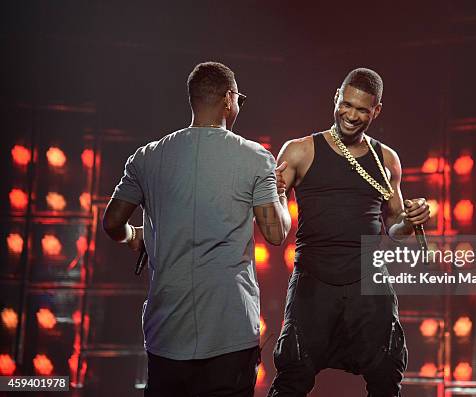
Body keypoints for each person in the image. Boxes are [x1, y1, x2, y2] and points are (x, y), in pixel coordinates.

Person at [102, 61, 291, 397]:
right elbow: (276, 235)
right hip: (229, 333)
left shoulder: (147, 157)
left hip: (166, 336)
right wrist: (279, 191)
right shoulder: (255, 158)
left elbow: (112, 223)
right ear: (229, 98)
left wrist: (135, 236)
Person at [267, 68, 430, 397]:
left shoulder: (387, 159)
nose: (351, 116)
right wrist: (276, 193)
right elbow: (277, 227)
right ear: (336, 99)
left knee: (386, 374)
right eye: (346, 105)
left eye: (362, 110)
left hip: (368, 281)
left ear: (376, 111)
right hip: (314, 278)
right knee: (293, 374)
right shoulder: (299, 150)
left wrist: (411, 220)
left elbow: (396, 228)